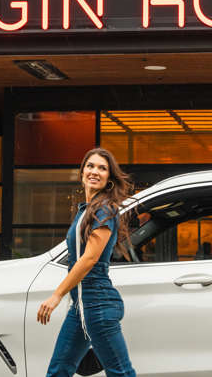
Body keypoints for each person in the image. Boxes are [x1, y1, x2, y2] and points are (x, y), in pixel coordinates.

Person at [38, 147, 137, 377]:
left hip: (98, 304)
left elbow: (90, 258)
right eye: (90, 166)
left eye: (102, 168)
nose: (95, 171)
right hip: (81, 307)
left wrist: (57, 295)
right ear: (82, 171)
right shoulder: (86, 211)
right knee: (58, 371)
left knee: (121, 373)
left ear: (109, 178)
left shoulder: (105, 210)